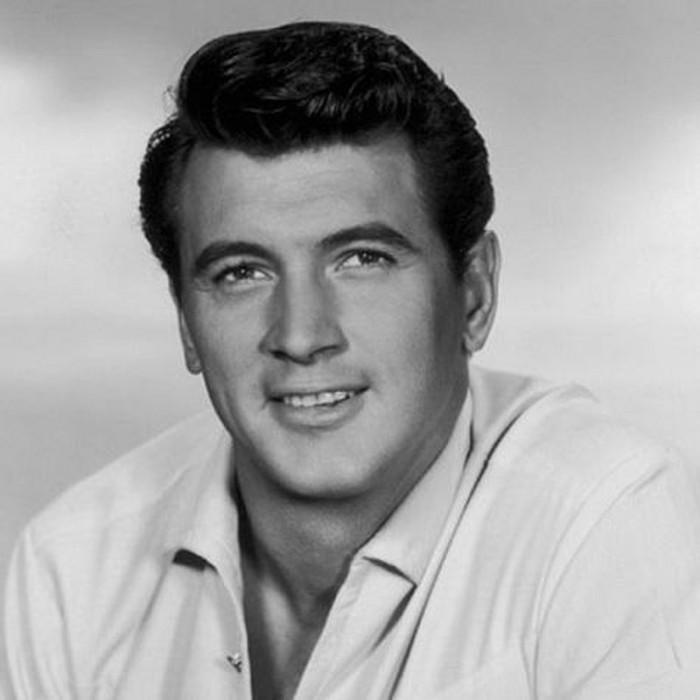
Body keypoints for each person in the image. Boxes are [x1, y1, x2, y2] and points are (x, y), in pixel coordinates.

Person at [4, 20, 700, 699]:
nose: (301, 335)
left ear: (474, 294)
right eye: (242, 272)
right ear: (186, 321)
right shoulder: (72, 569)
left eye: (362, 259)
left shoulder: (607, 523)